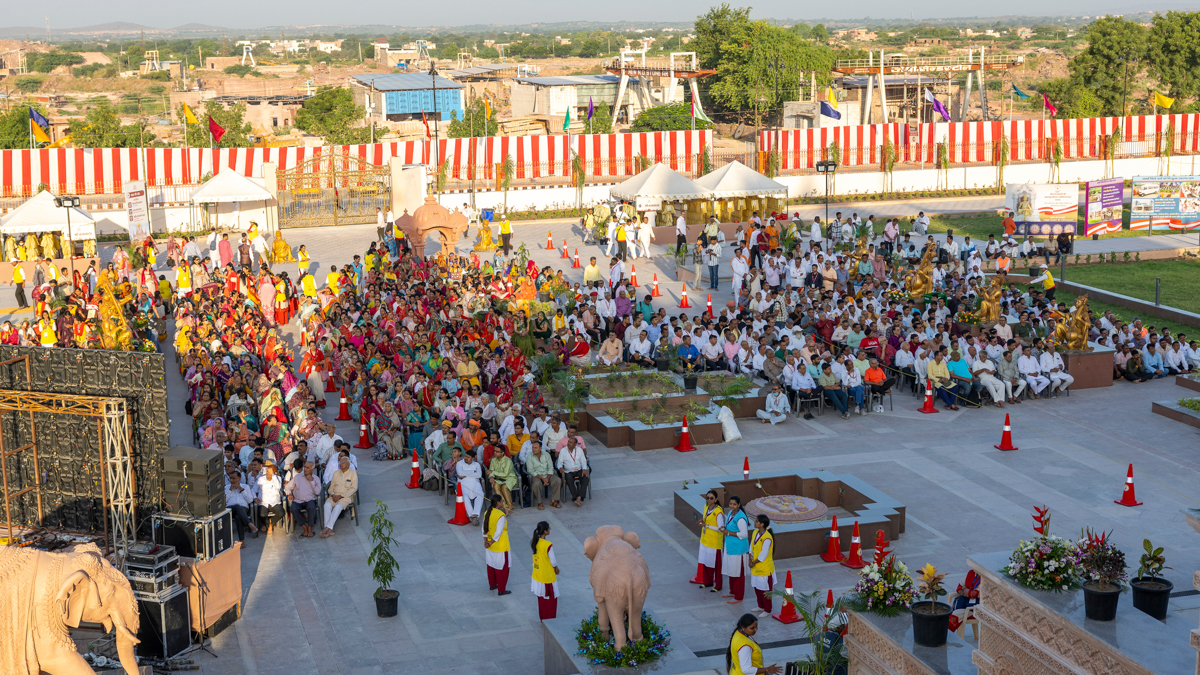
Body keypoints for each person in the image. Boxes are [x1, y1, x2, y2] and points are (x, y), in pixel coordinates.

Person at [721, 495, 751, 605]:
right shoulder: (730, 513)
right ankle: (733, 591)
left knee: (738, 573)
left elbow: (744, 534)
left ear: (738, 505)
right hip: (730, 547)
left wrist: (728, 533)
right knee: (731, 570)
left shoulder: (741, 517)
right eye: (730, 504)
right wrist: (724, 529)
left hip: (738, 549)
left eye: (734, 504)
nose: (732, 506)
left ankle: (739, 596)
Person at [694, 489, 725, 591]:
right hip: (705, 540)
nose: (709, 500)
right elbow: (706, 518)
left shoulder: (718, 512)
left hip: (715, 542)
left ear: (716, 499)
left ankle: (718, 585)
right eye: (707, 498)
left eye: (711, 498)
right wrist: (702, 521)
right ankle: (707, 582)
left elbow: (721, 528)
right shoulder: (706, 507)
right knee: (706, 562)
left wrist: (706, 525)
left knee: (716, 565)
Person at [321, 454, 357, 538]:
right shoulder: (336, 473)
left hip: (345, 497)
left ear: (348, 464)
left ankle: (327, 528)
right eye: (340, 462)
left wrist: (341, 496)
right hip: (334, 496)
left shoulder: (353, 473)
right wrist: (333, 495)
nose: (340, 464)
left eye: (343, 462)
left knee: (338, 507)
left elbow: (354, 488)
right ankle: (329, 530)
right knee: (326, 505)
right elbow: (331, 487)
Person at [483, 494, 512, 596]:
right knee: (502, 568)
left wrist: (486, 541)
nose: (503, 503)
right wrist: (491, 541)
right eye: (502, 501)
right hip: (500, 546)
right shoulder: (500, 515)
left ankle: (492, 584)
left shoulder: (487, 512)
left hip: (490, 545)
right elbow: (499, 532)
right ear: (498, 503)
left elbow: (484, 528)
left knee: (491, 565)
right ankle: (501, 589)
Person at [531, 521, 560, 621]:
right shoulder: (548, 544)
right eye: (548, 529)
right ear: (545, 531)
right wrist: (556, 568)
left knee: (541, 600)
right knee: (550, 601)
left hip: (537, 575)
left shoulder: (535, 541)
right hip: (547, 577)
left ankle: (542, 618)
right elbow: (553, 561)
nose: (549, 530)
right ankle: (549, 620)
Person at [285, 460, 322, 538]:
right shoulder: (298, 477)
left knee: (311, 506)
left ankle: (310, 528)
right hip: (298, 500)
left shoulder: (316, 479)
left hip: (310, 500)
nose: (305, 469)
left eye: (308, 468)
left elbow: (317, 492)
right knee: (293, 508)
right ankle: (304, 527)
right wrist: (290, 493)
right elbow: (287, 487)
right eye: (305, 467)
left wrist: (311, 481)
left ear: (313, 469)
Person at [526, 440, 562, 510]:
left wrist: (547, 478)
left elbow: (551, 467)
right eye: (533, 447)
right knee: (536, 483)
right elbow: (531, 471)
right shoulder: (529, 457)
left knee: (558, 480)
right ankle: (540, 502)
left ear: (540, 448)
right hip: (536, 476)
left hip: (547, 474)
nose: (534, 449)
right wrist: (542, 478)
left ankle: (553, 500)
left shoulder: (546, 455)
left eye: (536, 448)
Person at [253, 459, 285, 536]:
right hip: (263, 502)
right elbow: (253, 490)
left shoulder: (277, 478)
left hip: (275, 502)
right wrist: (255, 498)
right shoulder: (261, 479)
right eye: (267, 471)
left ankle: (270, 525)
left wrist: (273, 476)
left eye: (270, 471)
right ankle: (268, 525)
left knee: (281, 512)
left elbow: (278, 487)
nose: (268, 472)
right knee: (262, 515)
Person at [556, 436, 590, 507]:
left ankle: (579, 497)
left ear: (575, 444)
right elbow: (559, 462)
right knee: (569, 480)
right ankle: (575, 496)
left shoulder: (579, 450)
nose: (568, 443)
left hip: (579, 470)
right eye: (568, 442)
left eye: (571, 443)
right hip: (568, 471)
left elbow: (583, 461)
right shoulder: (563, 450)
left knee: (586, 478)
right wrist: (560, 468)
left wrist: (584, 469)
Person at [225, 471, 258, 542]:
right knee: (237, 506)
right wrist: (230, 490)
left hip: (243, 508)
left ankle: (242, 541)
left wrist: (241, 490)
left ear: (239, 478)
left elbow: (250, 501)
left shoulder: (245, 487)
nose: (231, 480)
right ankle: (250, 524)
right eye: (230, 478)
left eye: (234, 478)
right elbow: (224, 501)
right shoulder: (227, 487)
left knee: (238, 517)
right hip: (230, 509)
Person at [457, 449, 485, 525]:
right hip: (463, 483)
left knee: (480, 494)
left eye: (468, 457)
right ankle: (471, 515)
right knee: (464, 496)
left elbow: (479, 475)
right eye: (465, 456)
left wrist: (464, 475)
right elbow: (460, 473)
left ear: (473, 458)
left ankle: (475, 514)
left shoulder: (477, 465)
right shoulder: (459, 464)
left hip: (475, 483)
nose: (465, 458)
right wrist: (473, 471)